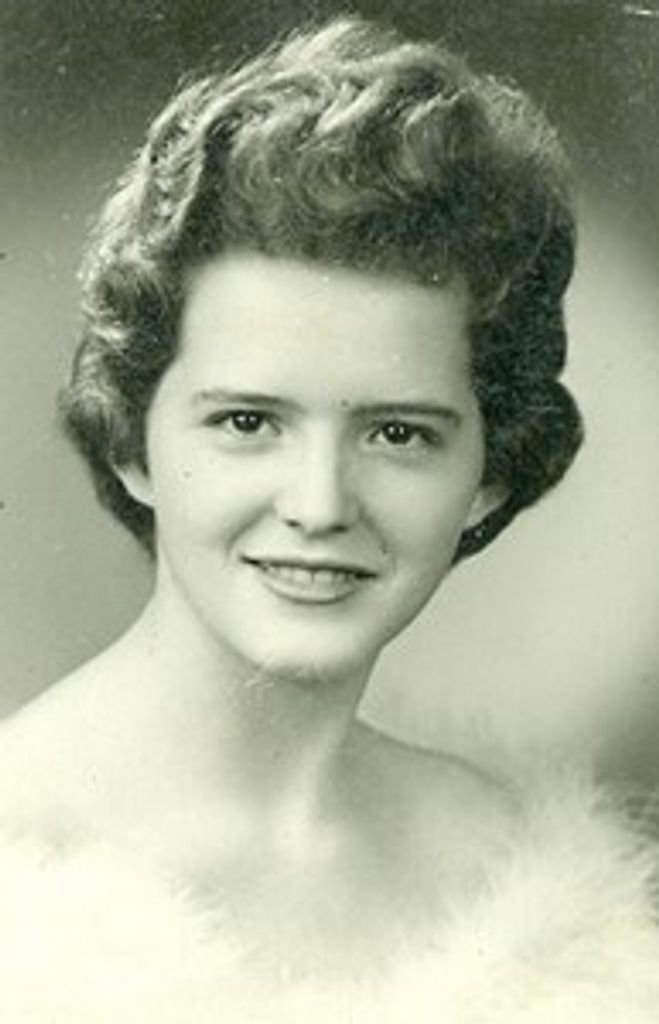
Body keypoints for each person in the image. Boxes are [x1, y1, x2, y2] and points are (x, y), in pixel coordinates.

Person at [1, 16, 657, 1022]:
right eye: (247, 422)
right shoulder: (21, 862)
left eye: (397, 434)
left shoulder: (545, 891)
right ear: (132, 443)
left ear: (489, 474)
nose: (317, 505)